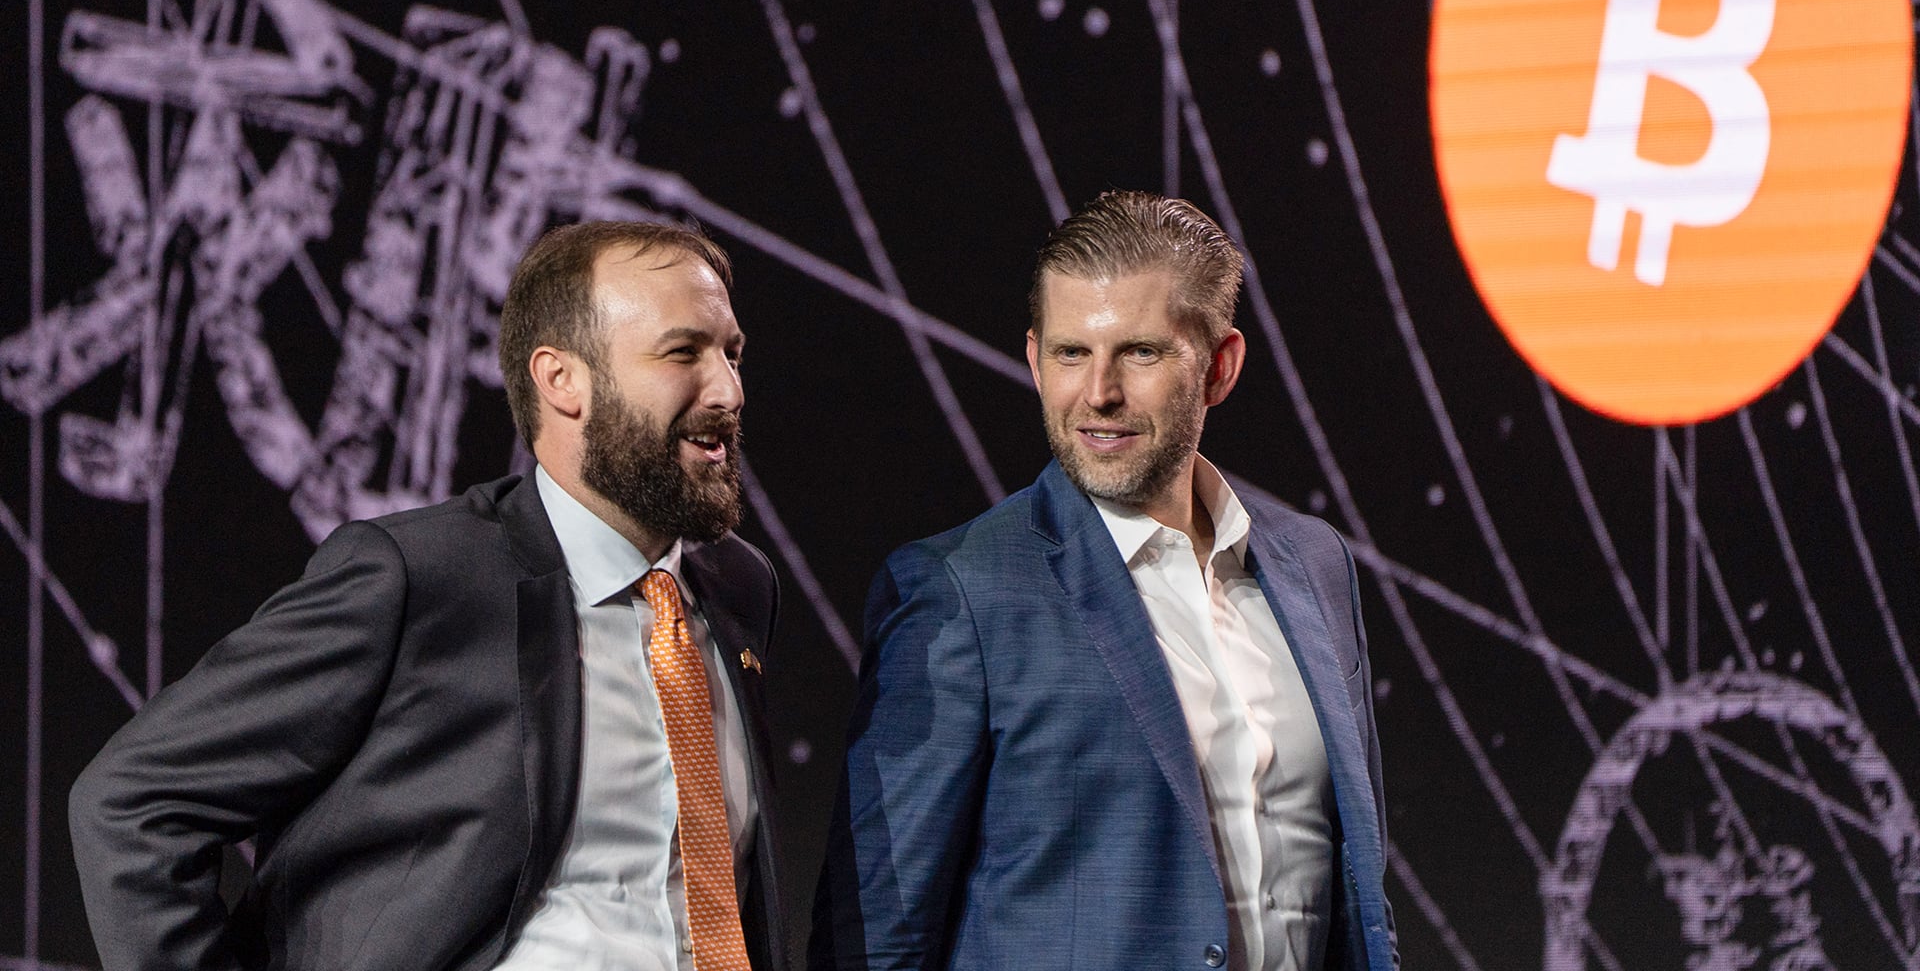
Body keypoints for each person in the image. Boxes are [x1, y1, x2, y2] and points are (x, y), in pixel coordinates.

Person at [70, 220, 788, 971]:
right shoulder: (419, 577)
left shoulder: (738, 589)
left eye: (731, 353)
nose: (729, 390)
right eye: (684, 352)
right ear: (562, 380)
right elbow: (132, 803)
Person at [812, 191, 1395, 971]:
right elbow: (877, 935)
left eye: (1141, 352)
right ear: (1032, 357)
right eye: (1070, 353)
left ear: (1219, 367)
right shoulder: (961, 592)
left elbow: (1358, 893)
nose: (1098, 394)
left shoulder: (1315, 563)